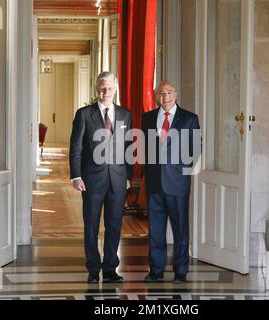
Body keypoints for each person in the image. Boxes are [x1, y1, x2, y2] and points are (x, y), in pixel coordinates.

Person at [69, 72, 132, 283]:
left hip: (117, 178)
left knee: (114, 225)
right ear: (97, 89)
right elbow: (76, 147)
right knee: (92, 226)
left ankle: (110, 269)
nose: (106, 92)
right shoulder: (84, 114)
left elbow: (128, 147)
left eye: (110, 88)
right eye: (102, 88)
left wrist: (128, 176)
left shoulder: (125, 114)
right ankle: (93, 270)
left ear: (116, 89)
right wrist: (76, 176)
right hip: (91, 180)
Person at [142, 81, 201, 284]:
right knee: (155, 230)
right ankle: (156, 271)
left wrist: (180, 171)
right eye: (160, 93)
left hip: (177, 183)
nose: (164, 96)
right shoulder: (148, 118)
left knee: (180, 229)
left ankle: (180, 271)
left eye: (168, 92)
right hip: (154, 183)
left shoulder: (190, 119)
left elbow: (194, 150)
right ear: (156, 96)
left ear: (175, 94)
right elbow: (145, 149)